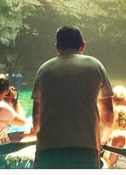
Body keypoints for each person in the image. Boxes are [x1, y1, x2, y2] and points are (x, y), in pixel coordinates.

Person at [32, 25, 114, 169]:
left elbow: (37, 115)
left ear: (58, 47)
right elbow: (108, 113)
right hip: (85, 148)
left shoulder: (44, 69)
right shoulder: (96, 66)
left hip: (47, 148)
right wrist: (102, 139)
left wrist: (42, 137)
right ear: (82, 46)